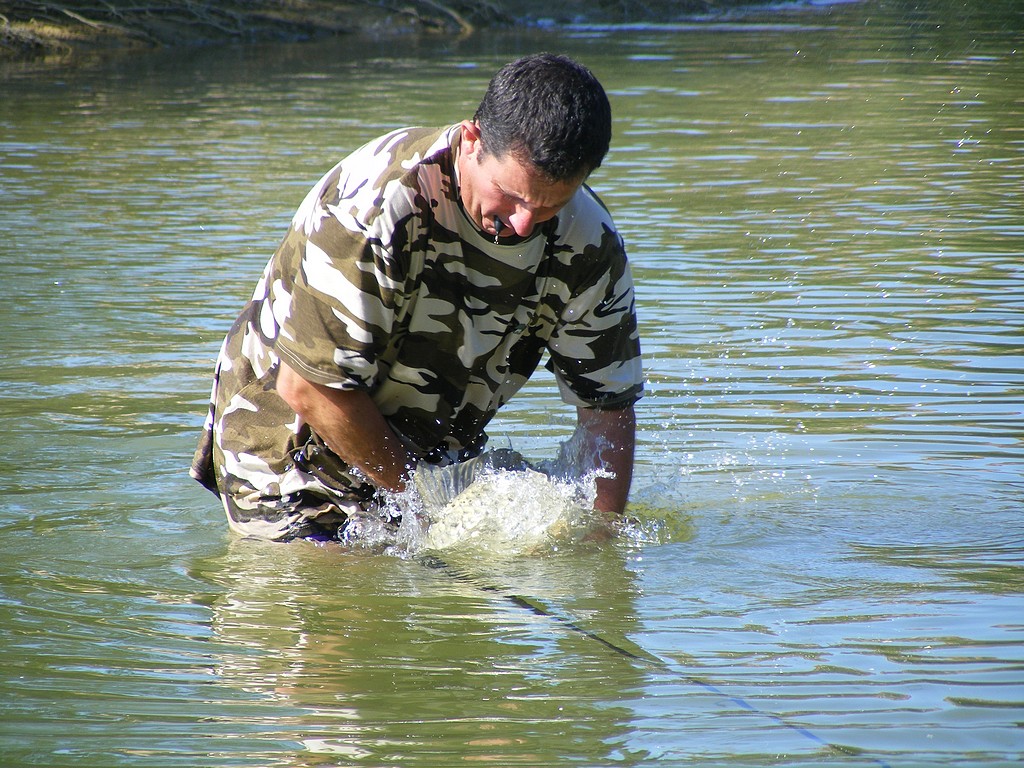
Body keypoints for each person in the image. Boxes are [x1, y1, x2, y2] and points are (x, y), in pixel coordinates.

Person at [190, 53, 644, 542]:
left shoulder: (590, 241)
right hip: (288, 447)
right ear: (472, 141)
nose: (523, 224)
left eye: (550, 204)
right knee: (350, 604)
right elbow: (309, 389)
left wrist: (601, 541)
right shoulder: (376, 207)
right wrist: (430, 514)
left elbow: (607, 411)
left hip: (425, 455)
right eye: (510, 196)